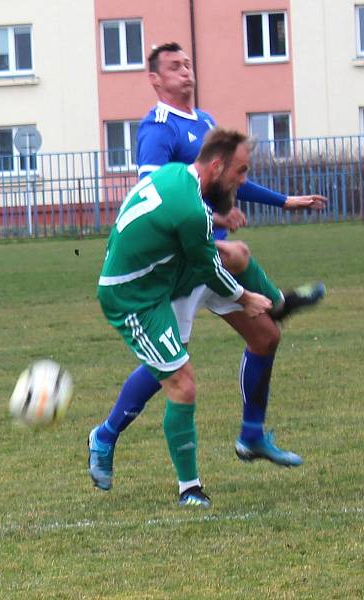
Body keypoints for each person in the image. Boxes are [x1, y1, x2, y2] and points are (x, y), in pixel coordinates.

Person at [88, 42, 325, 489]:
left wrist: (283, 201)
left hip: (208, 258)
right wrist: (214, 218)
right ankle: (105, 435)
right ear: (155, 79)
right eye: (174, 67)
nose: (185, 72)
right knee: (172, 371)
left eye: (188, 64)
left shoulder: (206, 122)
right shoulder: (157, 128)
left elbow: (232, 177)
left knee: (265, 333)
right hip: (178, 264)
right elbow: (153, 192)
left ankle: (251, 435)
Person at [96, 128, 271, 507]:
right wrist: (244, 298)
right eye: (240, 172)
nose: (243, 181)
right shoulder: (191, 210)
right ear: (217, 165)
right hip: (132, 297)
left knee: (237, 254)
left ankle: (278, 304)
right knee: (182, 383)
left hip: (161, 277)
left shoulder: (176, 175)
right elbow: (209, 270)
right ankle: (188, 489)